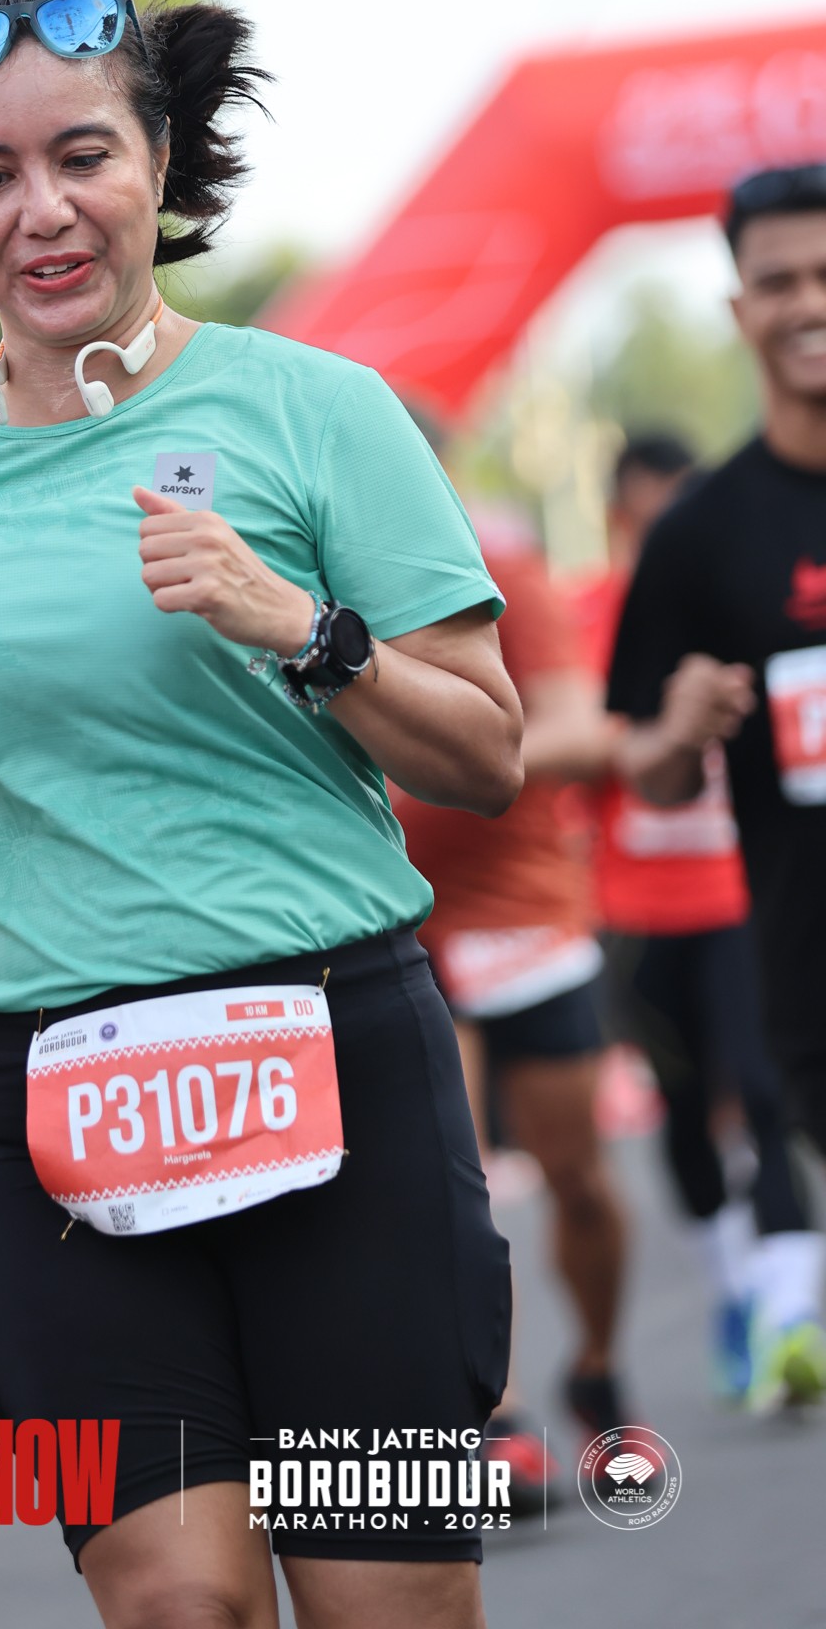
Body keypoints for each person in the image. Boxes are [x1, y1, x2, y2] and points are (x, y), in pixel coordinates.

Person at [0, 0, 523, 1629]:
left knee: (384, 1606)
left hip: (327, 1063)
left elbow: (487, 754)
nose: (41, 210)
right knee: (176, 1606)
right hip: (44, 1100)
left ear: (158, 163)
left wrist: (301, 629)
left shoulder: (317, 410)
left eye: (83, 156)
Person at [608, 165, 826, 1403]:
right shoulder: (698, 535)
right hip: (805, 977)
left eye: (823, 276)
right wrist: (676, 730)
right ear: (739, 307)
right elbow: (643, 766)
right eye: (776, 281)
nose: (805, 304)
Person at [574, 434, 823, 1409]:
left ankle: (789, 1320)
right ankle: (734, 1296)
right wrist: (651, 733)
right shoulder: (604, 612)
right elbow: (572, 735)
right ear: (617, 520)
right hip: (639, 915)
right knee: (683, 1119)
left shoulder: (740, 577)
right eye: (648, 517)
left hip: (735, 899)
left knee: (764, 1093)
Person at [393, 516, 631, 1510]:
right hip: (388, 921)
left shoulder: (489, 562)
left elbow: (579, 730)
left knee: (578, 1181)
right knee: (451, 1188)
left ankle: (595, 1367)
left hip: (519, 914)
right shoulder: (280, 566)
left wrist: (430, 746)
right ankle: (498, 1417)